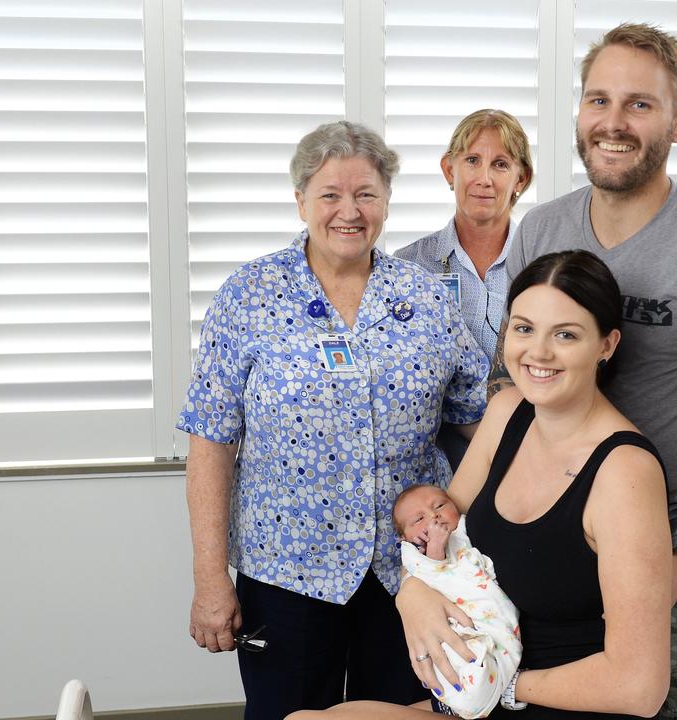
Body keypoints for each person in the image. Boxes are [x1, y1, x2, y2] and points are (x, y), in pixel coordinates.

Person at [499, 23, 677, 719]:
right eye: (598, 100)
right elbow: (511, 385)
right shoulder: (539, 231)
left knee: (674, 706)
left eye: (639, 104)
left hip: (669, 539)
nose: (613, 123)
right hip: (551, 543)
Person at [178, 120, 489, 720]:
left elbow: (483, 418)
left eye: (366, 194)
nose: (349, 211)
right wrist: (210, 578)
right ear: (301, 202)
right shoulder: (250, 296)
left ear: (387, 203)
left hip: (410, 571)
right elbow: (211, 442)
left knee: (408, 716)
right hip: (286, 572)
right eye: (330, 195)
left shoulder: (426, 300)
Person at [293, 250, 674, 719]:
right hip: (482, 690)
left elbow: (639, 686)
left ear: (606, 345)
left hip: (556, 699)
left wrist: (504, 684)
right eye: (524, 328)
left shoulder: (625, 473)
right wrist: (412, 591)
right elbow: (439, 520)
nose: (538, 352)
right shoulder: (507, 412)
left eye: (566, 335)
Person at [396, 109, 535, 468]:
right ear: (449, 170)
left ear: (522, 178)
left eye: (501, 164)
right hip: (433, 458)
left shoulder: (543, 263)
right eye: (472, 160)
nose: (484, 178)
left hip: (528, 448)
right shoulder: (409, 266)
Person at [392, 484, 522, 718]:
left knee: (502, 650)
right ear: (404, 537)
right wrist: (435, 550)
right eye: (419, 519)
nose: (433, 516)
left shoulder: (467, 529)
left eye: (440, 505)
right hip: (456, 621)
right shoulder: (416, 554)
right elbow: (431, 575)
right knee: (461, 661)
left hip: (490, 615)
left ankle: (501, 683)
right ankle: (475, 691)